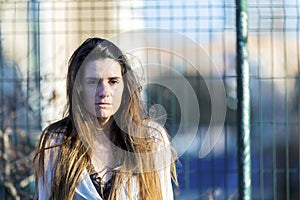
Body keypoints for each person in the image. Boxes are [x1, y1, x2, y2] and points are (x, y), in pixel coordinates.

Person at [34, 37, 178, 200]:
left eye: (113, 81)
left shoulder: (151, 139)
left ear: (125, 87)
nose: (103, 91)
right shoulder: (56, 142)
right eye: (93, 81)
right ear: (79, 88)